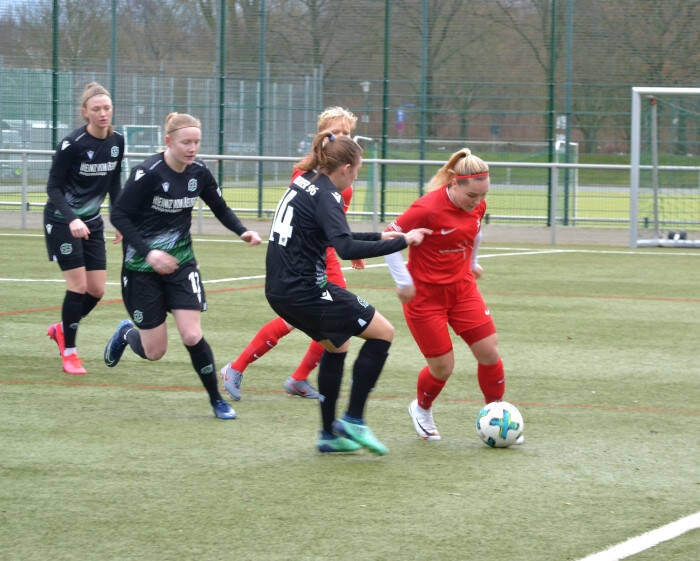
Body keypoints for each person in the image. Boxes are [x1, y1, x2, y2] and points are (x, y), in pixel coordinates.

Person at [265, 131, 430, 454]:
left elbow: (333, 234)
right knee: (383, 332)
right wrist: (401, 242)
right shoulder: (329, 195)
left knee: (337, 346)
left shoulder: (305, 181)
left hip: (280, 290)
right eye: (357, 171)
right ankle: (354, 419)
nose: (356, 177)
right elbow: (344, 247)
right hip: (305, 291)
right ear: (345, 168)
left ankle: (329, 435)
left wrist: (380, 236)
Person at [104, 112, 262, 420]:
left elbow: (220, 207)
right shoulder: (147, 173)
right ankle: (126, 334)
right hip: (140, 269)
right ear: (168, 141)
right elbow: (119, 215)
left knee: (191, 335)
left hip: (181, 264)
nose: (192, 148)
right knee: (155, 352)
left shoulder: (199, 172)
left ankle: (216, 400)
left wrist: (242, 231)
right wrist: (149, 253)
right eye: (185, 142)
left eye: (197, 142)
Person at [220, 107, 365, 401]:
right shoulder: (306, 173)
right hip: (302, 257)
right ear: (322, 136)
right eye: (336, 132)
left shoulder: (342, 179)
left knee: (339, 319)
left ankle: (298, 377)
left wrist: (349, 248)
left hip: (325, 255)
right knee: (298, 319)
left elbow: (334, 222)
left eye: (347, 133)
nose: (343, 137)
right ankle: (236, 367)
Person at [384, 148, 513, 442]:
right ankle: (421, 408)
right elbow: (389, 235)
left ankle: (496, 415)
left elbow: (475, 231)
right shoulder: (426, 209)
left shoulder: (477, 205)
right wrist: (403, 281)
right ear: (455, 183)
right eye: (472, 196)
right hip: (424, 298)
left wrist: (472, 263)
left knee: (489, 352)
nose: (477, 202)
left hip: (462, 290)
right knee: (443, 368)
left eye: (483, 195)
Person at [44, 82, 124, 375]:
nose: (103, 113)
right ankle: (70, 353)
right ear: (85, 112)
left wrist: (119, 219)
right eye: (96, 109)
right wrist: (72, 219)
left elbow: (114, 183)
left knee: (97, 290)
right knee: (77, 287)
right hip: (61, 220)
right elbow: (53, 188)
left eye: (107, 108)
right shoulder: (72, 144)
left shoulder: (117, 141)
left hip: (92, 222)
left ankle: (61, 328)